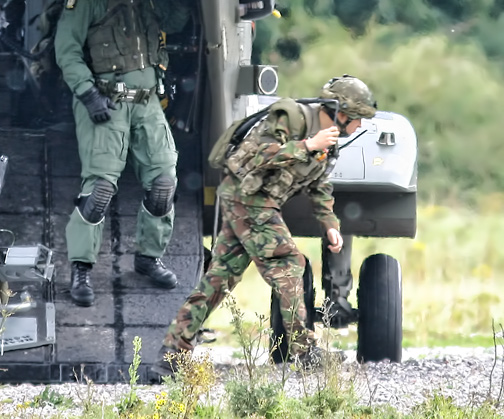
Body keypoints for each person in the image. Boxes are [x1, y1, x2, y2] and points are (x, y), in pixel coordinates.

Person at [151, 75, 378, 377]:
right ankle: (305, 351)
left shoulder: (328, 139)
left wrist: (330, 224)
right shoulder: (291, 117)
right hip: (247, 195)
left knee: (219, 278)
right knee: (288, 262)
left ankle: (171, 356)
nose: (358, 127)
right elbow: (257, 156)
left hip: (258, 201)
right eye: (357, 119)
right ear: (341, 112)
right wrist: (307, 145)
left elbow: (319, 184)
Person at [54, 0, 187, 307]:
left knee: (163, 183)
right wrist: (87, 93)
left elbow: (176, 20)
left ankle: (147, 258)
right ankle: (81, 270)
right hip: (106, 101)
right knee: (99, 192)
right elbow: (66, 50)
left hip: (146, 101)